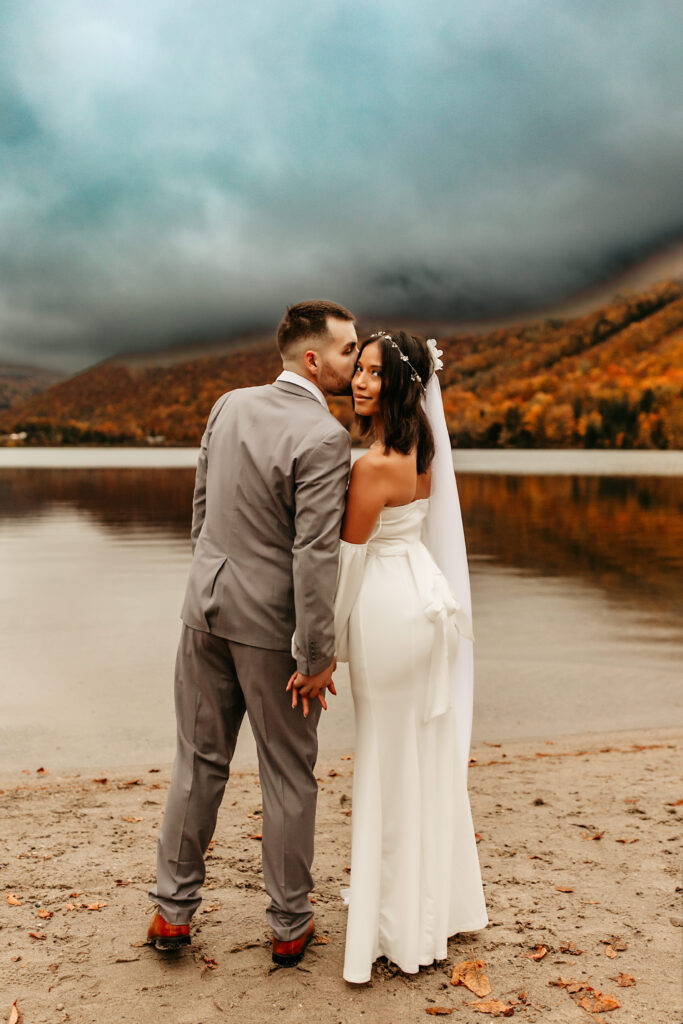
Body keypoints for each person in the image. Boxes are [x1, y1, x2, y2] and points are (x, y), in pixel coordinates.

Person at [147, 299, 358, 967]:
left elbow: (202, 505)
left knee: (197, 762)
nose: (356, 361)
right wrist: (317, 654)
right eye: (349, 350)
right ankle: (290, 924)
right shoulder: (326, 437)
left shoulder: (228, 405)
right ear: (313, 358)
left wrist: (207, 578)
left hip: (203, 610)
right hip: (271, 632)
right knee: (289, 775)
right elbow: (313, 553)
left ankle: (171, 913)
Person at [291, 330, 487, 983]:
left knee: (384, 764)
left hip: (387, 612)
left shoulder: (372, 466)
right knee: (417, 764)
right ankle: (418, 918)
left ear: (401, 385)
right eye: (360, 370)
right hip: (423, 604)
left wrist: (321, 657)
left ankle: (396, 928)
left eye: (375, 373)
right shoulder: (423, 454)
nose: (361, 382)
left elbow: (345, 568)